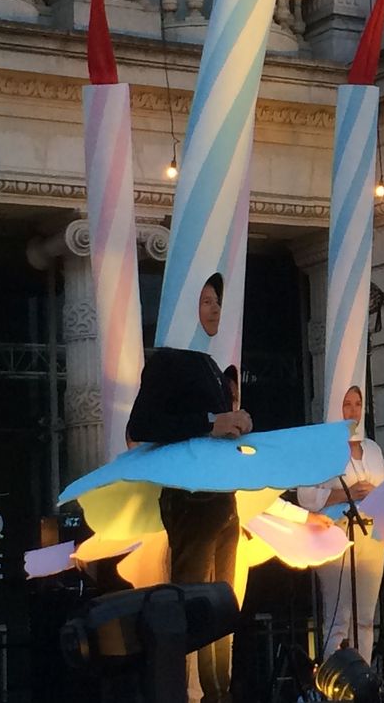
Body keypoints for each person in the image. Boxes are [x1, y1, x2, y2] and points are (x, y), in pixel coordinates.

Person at [126, 274, 252, 702]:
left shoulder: (210, 364)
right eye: (204, 301)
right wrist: (210, 422)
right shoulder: (167, 361)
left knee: (222, 605)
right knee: (193, 603)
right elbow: (140, 426)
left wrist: (236, 421)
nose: (215, 309)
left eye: (217, 301)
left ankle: (219, 692)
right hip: (190, 500)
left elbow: (215, 428)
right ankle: (186, 693)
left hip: (223, 500)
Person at [298, 386, 384, 662]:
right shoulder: (322, 450)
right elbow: (306, 496)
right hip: (336, 531)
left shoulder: (372, 448)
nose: (353, 411)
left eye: (357, 404)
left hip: (371, 533)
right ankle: (335, 681)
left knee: (365, 617)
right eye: (346, 404)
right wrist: (347, 493)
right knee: (339, 616)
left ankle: (363, 679)